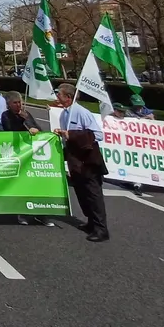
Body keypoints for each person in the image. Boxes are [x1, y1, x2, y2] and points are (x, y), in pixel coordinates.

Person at [53, 84, 109, 242]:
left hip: (88, 161)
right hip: (75, 161)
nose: (57, 97)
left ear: (69, 97)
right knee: (82, 194)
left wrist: (71, 134)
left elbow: (97, 135)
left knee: (93, 195)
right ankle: (91, 222)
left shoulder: (82, 112)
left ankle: (101, 229)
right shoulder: (64, 114)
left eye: (60, 95)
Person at [0, 91, 54, 227]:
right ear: (9, 104)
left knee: (36, 184)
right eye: (15, 103)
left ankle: (41, 214)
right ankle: (22, 212)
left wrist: (30, 124)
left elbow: (39, 130)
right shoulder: (5, 115)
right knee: (21, 184)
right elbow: (9, 129)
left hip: (32, 154)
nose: (18, 105)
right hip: (17, 154)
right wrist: (21, 120)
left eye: (20, 102)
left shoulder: (26, 114)